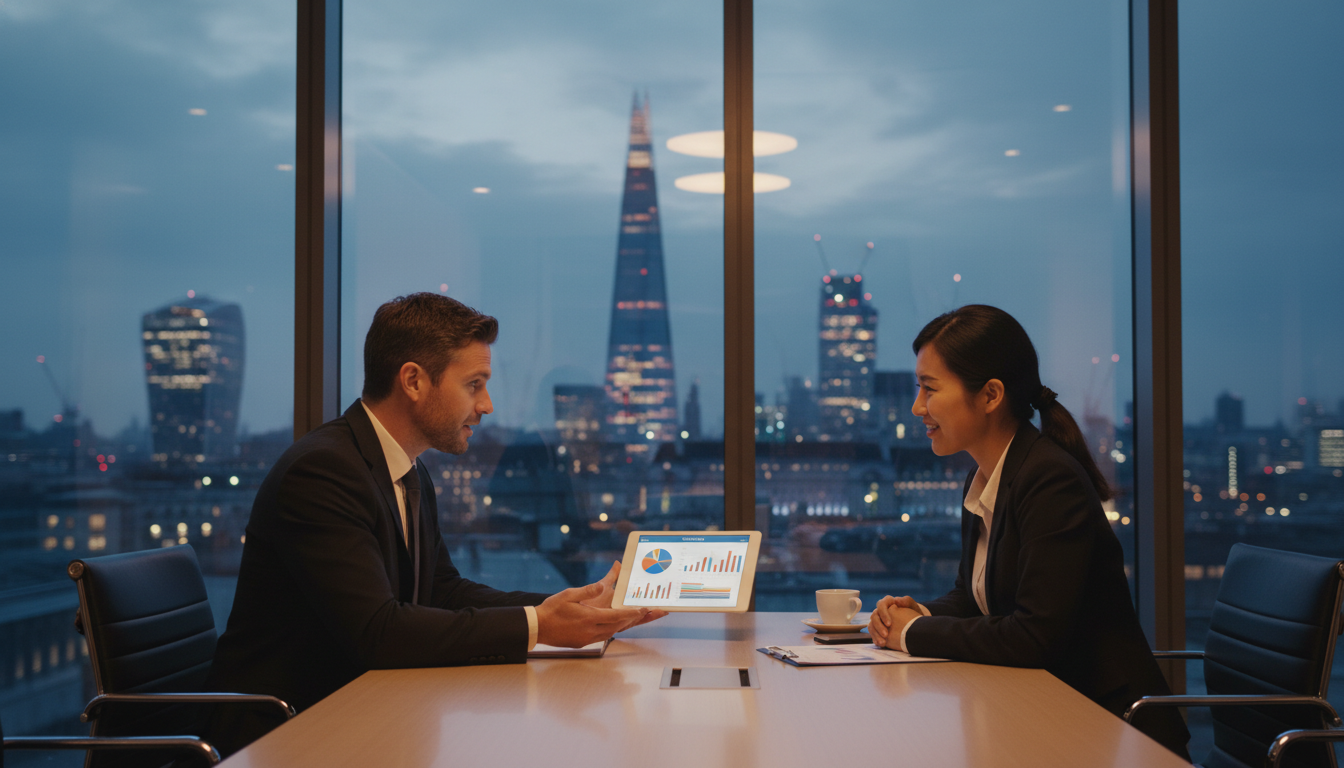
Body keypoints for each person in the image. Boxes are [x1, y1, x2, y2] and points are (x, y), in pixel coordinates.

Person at [206, 293, 665, 756]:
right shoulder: (324, 472)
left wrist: (573, 607)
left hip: (367, 711)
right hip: (285, 733)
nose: (486, 405)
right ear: (413, 381)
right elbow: (378, 633)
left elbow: (441, 589)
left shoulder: (406, 468)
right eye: (474, 384)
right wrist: (539, 626)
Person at [866, 305, 1190, 760]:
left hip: (1110, 731)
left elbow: (1036, 636)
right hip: (1047, 713)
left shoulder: (1048, 479)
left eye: (929, 388)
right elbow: (971, 598)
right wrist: (912, 611)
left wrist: (913, 632)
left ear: (991, 395)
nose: (918, 407)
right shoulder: (988, 476)